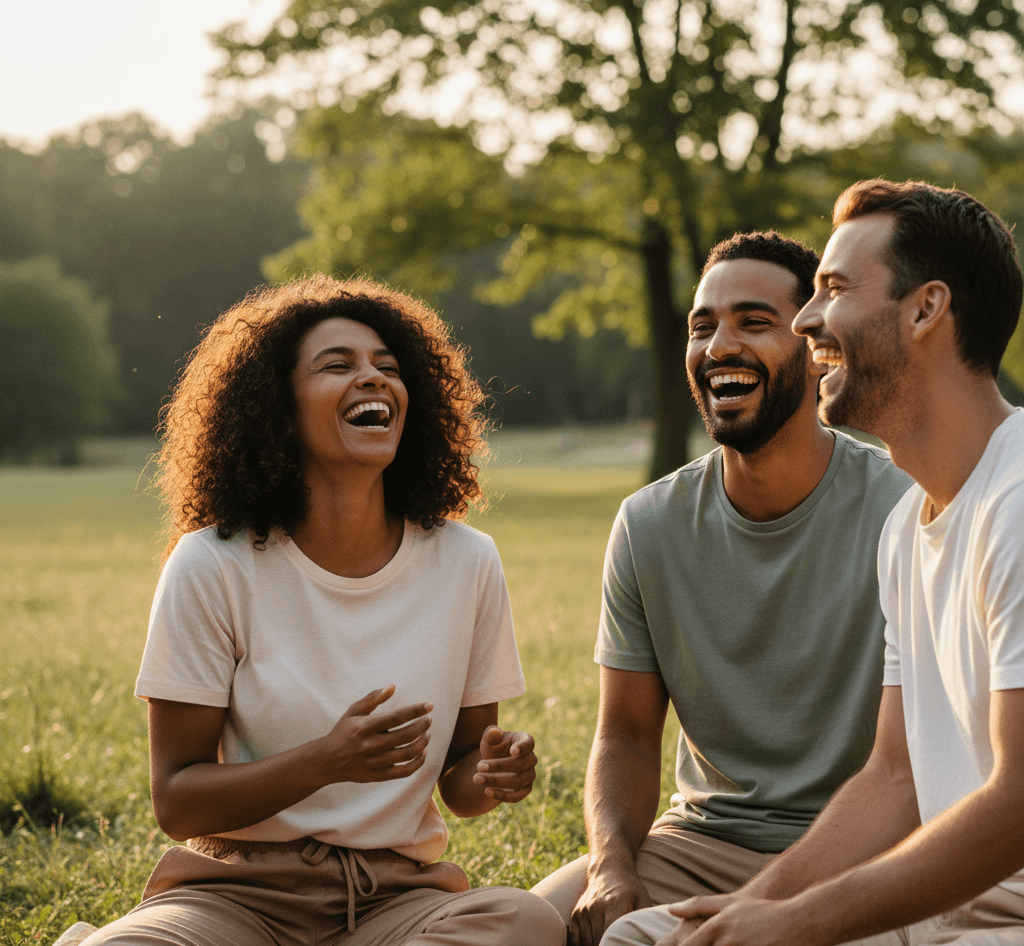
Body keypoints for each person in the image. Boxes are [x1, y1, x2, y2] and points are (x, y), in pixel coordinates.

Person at [74, 275, 565, 946]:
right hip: (238, 898)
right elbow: (177, 797)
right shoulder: (213, 563)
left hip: (397, 899)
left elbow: (461, 778)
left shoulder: (467, 561)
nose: (373, 380)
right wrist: (325, 762)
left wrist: (491, 771)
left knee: (526, 922)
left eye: (388, 369)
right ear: (278, 406)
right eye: (339, 366)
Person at [619, 180, 1024, 946]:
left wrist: (796, 923)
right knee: (644, 939)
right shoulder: (909, 524)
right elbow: (895, 777)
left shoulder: (1018, 502)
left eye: (833, 289)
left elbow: (1019, 803)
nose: (807, 318)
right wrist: (752, 910)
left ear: (926, 309)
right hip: (933, 915)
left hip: (1001, 923)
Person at [531, 232, 912, 946]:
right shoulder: (649, 524)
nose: (719, 346)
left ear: (816, 345)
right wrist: (613, 868)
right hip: (702, 846)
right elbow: (628, 735)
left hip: (864, 850)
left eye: (753, 322)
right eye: (702, 327)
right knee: (515, 926)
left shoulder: (904, 510)